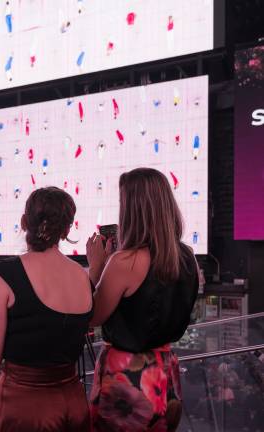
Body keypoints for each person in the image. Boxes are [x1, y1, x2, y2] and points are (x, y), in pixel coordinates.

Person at [0, 187, 93, 431]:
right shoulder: (82, 276)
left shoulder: (4, 275)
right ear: (66, 230)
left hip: (24, 410)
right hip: (74, 404)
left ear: (23, 222)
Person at [86, 168, 200, 431]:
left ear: (133, 210)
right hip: (165, 372)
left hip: (127, 378)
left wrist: (96, 268)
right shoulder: (188, 257)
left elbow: (94, 317)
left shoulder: (124, 261)